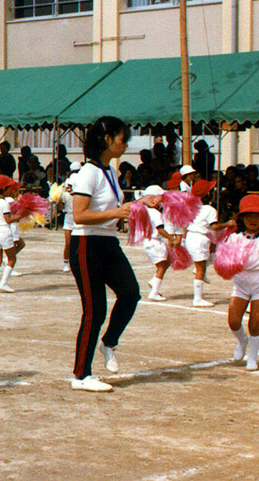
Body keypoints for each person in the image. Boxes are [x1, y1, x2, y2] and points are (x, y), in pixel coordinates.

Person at [69, 117, 162, 392]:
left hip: (108, 243)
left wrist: (140, 203)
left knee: (131, 293)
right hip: (86, 245)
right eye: (123, 138)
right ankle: (81, 375)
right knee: (94, 311)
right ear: (107, 139)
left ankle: (108, 343)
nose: (127, 144)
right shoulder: (88, 172)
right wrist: (118, 212)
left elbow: (113, 208)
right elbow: (79, 215)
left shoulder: (109, 170)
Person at [224, 195, 259, 371]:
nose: (253, 220)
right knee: (233, 321)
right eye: (249, 216)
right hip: (240, 282)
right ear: (242, 218)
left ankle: (253, 358)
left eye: (257, 216)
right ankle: (242, 341)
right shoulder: (234, 237)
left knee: (254, 324)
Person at [185, 180, 234, 307]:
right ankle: (198, 298)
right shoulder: (209, 209)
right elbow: (215, 227)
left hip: (192, 237)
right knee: (201, 268)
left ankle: (200, 273)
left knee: (208, 258)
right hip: (200, 238)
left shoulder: (192, 207)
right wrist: (227, 224)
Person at [0, 176, 28, 293]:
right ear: (4, 189)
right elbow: (8, 220)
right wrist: (21, 216)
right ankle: (3, 283)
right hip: (4, 232)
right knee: (11, 258)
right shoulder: (4, 203)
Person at [141, 185, 173, 301]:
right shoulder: (155, 213)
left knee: (167, 260)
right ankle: (154, 291)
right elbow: (160, 229)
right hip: (154, 241)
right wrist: (170, 237)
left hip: (148, 241)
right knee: (162, 267)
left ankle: (154, 281)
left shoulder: (144, 211)